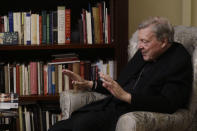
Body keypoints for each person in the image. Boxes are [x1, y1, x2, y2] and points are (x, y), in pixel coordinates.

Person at [49, 16, 193, 131]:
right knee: (58, 128)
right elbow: (119, 86)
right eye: (139, 41)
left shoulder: (178, 60)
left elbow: (168, 103)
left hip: (129, 112)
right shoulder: (144, 53)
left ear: (163, 41)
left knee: (82, 125)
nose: (140, 46)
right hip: (110, 106)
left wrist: (127, 97)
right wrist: (89, 84)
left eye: (145, 41)